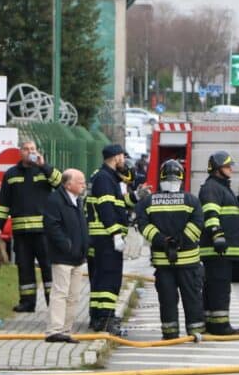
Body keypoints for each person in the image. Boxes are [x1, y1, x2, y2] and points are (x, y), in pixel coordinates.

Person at [137, 160, 205, 339]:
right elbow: (197, 224)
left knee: (167, 299)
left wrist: (162, 241)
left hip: (163, 262)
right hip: (189, 262)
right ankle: (195, 332)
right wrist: (179, 241)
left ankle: (170, 334)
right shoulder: (191, 200)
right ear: (181, 177)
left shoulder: (148, 201)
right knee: (192, 298)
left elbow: (143, 225)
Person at [0, 140, 62, 312]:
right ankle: (27, 302)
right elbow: (3, 204)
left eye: (33, 149)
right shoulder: (11, 174)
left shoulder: (44, 170)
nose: (30, 151)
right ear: (20, 152)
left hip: (43, 231)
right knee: (24, 267)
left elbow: (60, 182)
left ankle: (52, 303)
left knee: (47, 268)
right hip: (21, 232)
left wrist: (44, 166)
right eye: (26, 149)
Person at [86, 144, 136, 335]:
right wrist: (115, 233)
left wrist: (136, 197)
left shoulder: (105, 177)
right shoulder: (105, 178)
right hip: (106, 237)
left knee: (100, 279)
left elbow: (118, 202)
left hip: (102, 237)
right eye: (122, 156)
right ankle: (105, 318)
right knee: (109, 280)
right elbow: (106, 208)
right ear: (116, 158)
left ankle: (98, 317)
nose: (124, 160)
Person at [199, 151, 239, 335]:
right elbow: (211, 214)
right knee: (220, 288)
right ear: (217, 169)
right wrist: (217, 236)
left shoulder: (221, 187)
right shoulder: (212, 188)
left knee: (214, 287)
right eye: (227, 166)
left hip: (222, 250)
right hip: (217, 250)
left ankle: (211, 322)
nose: (230, 169)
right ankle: (220, 325)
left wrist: (237, 204)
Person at [42, 169, 89, 343]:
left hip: (78, 256)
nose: (83, 185)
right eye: (80, 182)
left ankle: (66, 330)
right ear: (68, 184)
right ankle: (54, 330)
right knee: (60, 293)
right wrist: (66, 245)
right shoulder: (55, 200)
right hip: (63, 256)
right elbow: (52, 226)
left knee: (74, 296)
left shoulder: (78, 200)